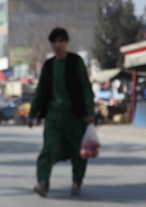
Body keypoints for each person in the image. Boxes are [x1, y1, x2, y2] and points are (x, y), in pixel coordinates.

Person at [28, 27, 95, 197]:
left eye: (61, 41)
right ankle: (43, 182)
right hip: (53, 117)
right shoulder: (49, 65)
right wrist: (32, 114)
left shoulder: (76, 61)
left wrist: (90, 112)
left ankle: (76, 182)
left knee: (78, 152)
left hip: (75, 116)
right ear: (51, 44)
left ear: (66, 42)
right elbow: (40, 91)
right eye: (54, 41)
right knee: (48, 149)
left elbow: (86, 88)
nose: (58, 45)